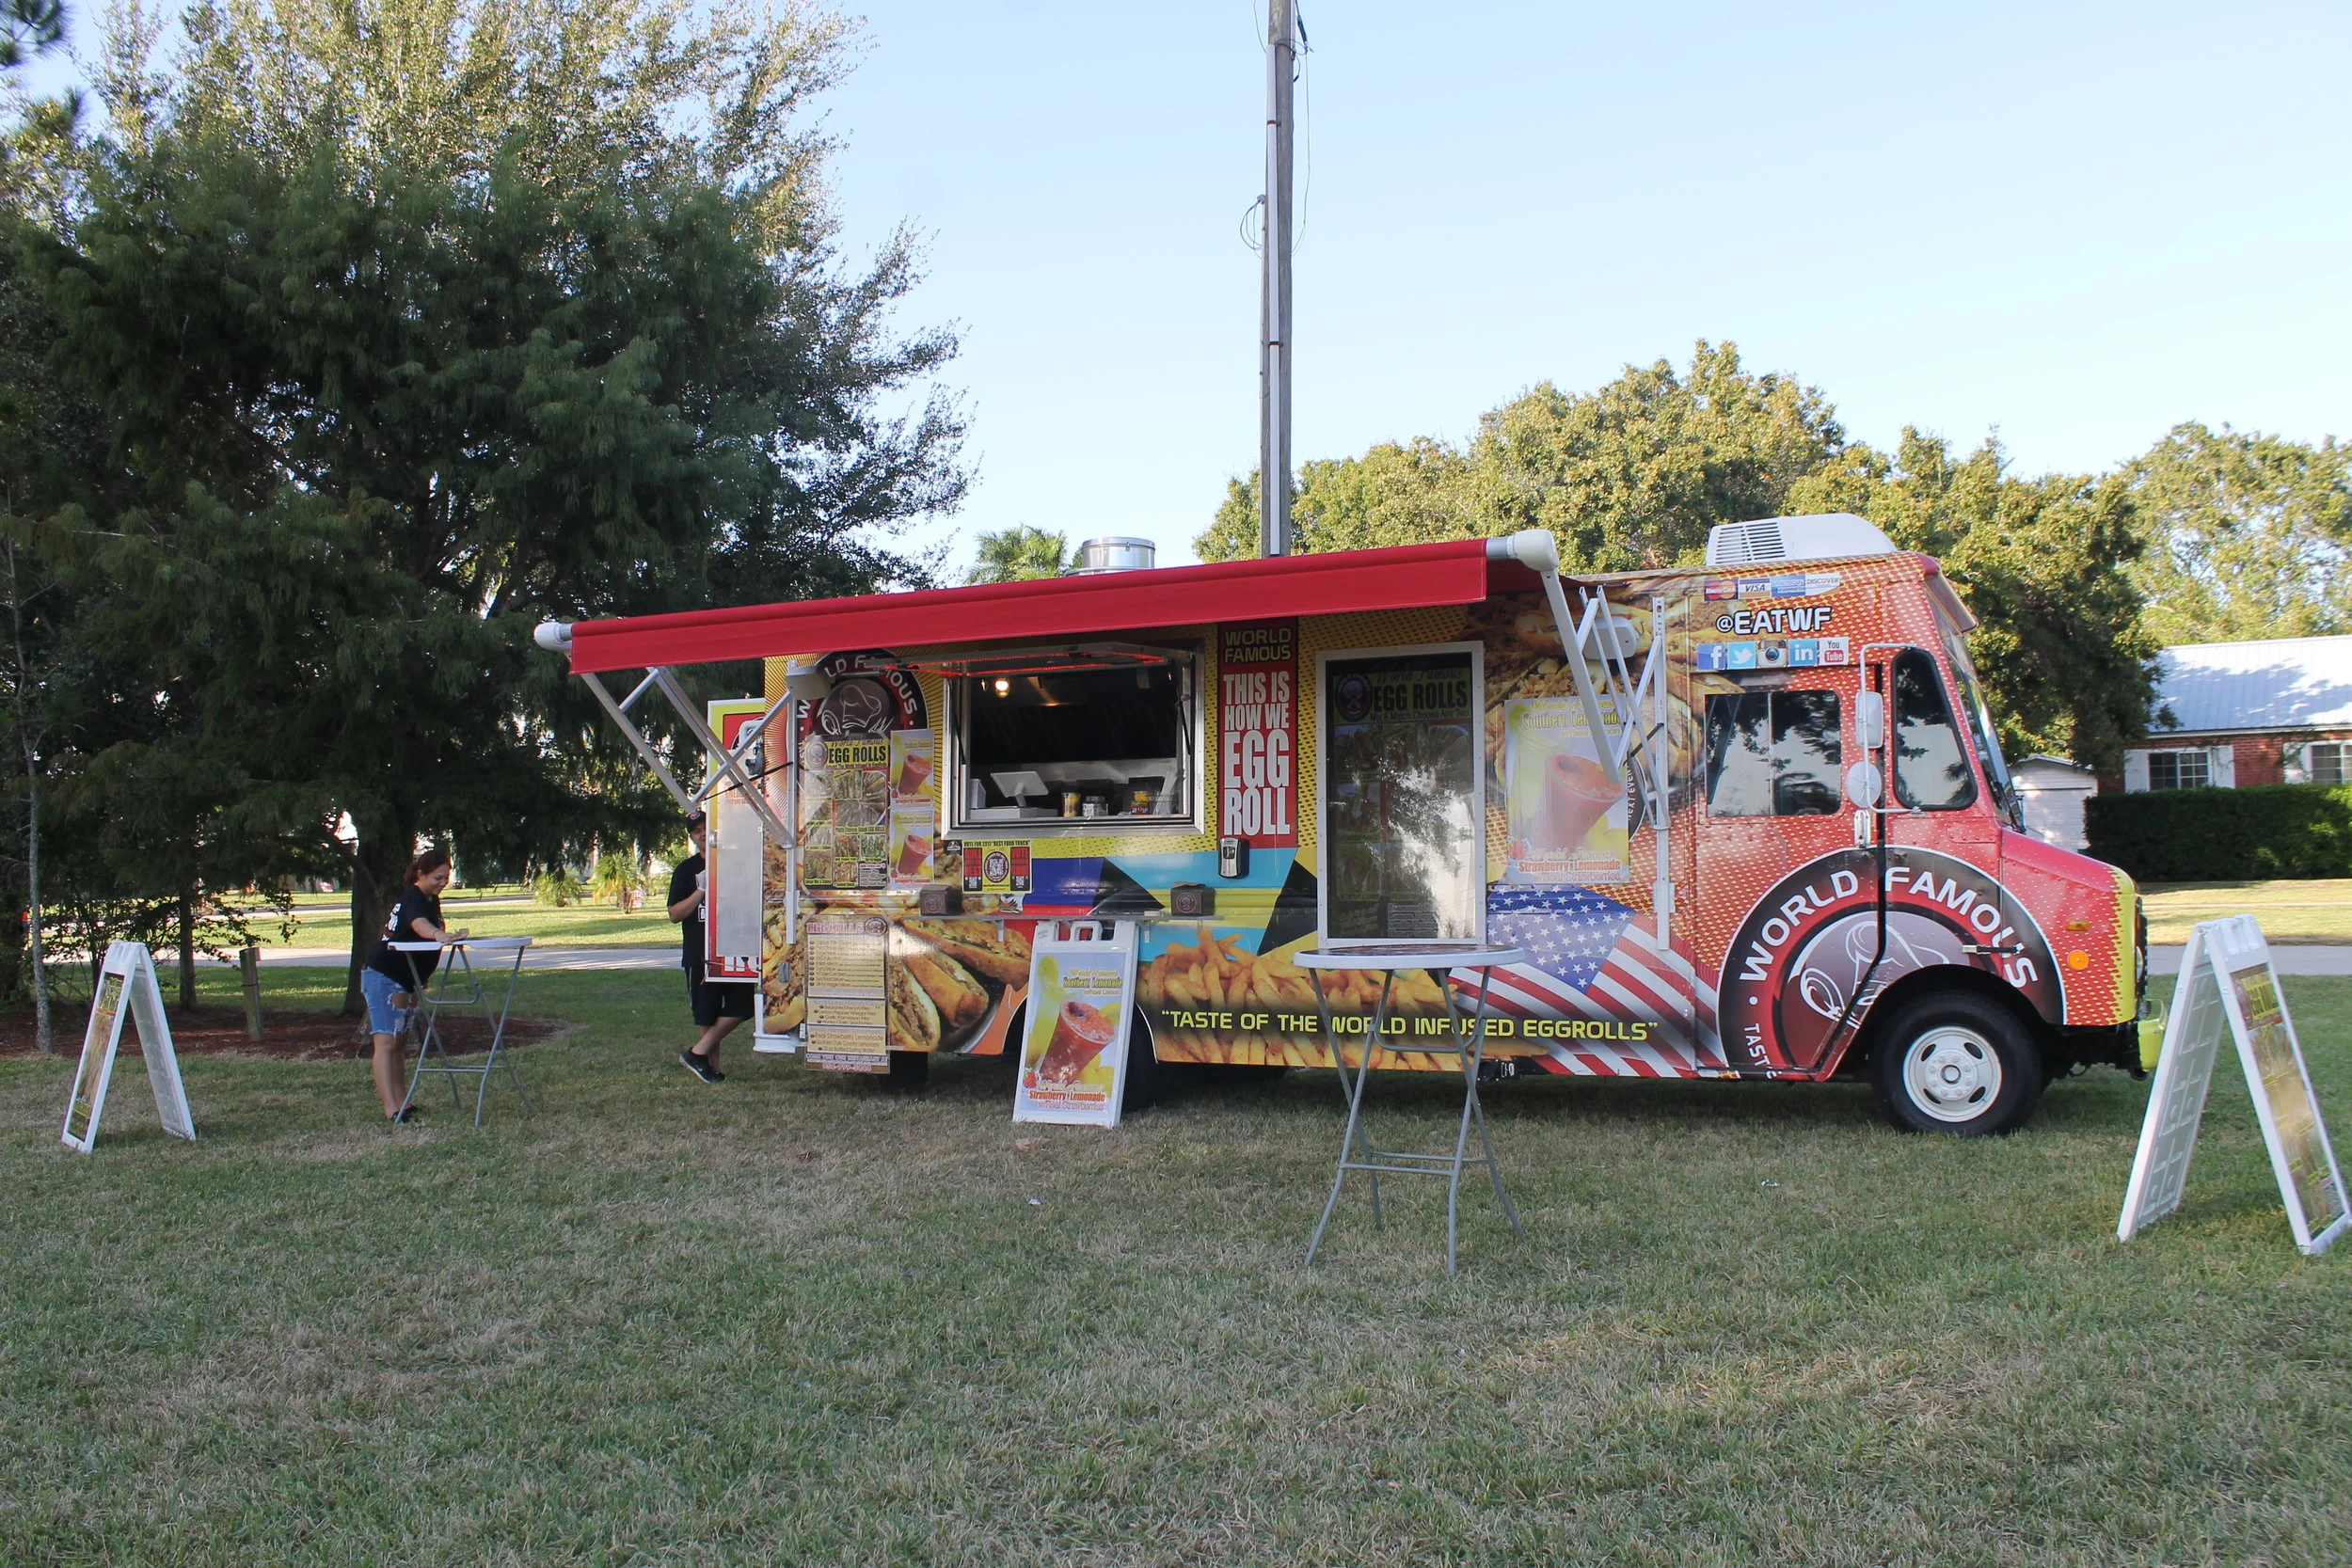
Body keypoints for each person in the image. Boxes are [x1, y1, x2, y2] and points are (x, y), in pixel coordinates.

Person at [362, 847, 469, 1122]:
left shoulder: (430, 899)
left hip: (405, 979)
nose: (442, 882)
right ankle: (392, 1109)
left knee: (397, 1044)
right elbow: (419, 925)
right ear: (421, 873)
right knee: (386, 1041)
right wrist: (438, 935)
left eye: (446, 877)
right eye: (437, 877)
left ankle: (403, 1103)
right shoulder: (414, 897)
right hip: (385, 975)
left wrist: (423, 974)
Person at [669, 811, 751, 1082]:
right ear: (692, 838)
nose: (703, 833)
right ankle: (710, 1069)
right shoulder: (685, 870)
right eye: (697, 831)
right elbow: (674, 914)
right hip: (699, 953)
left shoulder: (735, 863)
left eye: (707, 827)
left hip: (733, 949)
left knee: (743, 1006)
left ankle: (697, 1053)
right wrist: (701, 891)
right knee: (706, 1013)